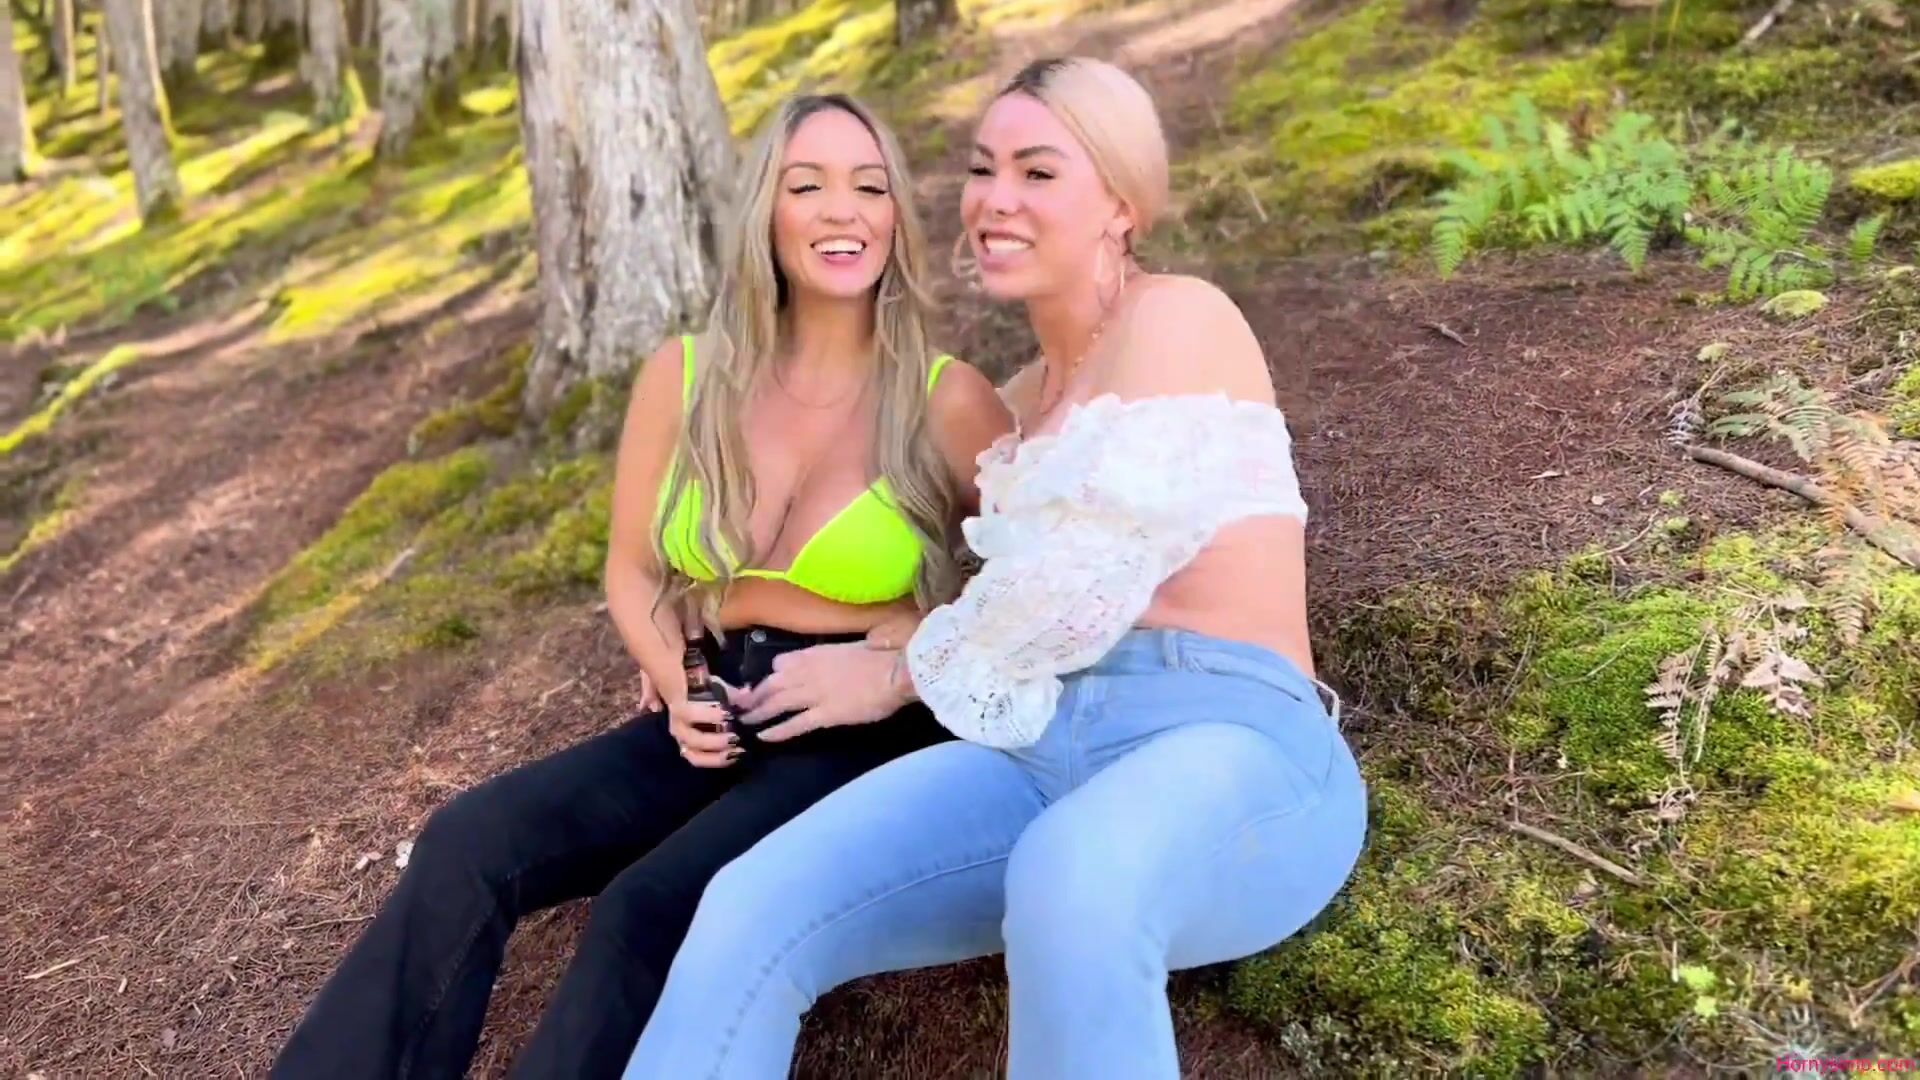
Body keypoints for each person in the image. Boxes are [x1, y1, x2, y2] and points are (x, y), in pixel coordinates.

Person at [619, 57, 1370, 1080]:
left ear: (1121, 203)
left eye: (1037, 171)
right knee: (750, 902)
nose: (995, 199)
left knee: (1072, 876)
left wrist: (894, 671)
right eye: (982, 169)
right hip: (1037, 748)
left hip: (1234, 744)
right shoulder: (1011, 406)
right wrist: (707, 610)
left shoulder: (1179, 317)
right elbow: (937, 577)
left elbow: (1076, 587)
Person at [269, 93, 1012, 1080]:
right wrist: (670, 674)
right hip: (710, 704)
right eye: (809, 186)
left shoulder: (945, 398)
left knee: (645, 908)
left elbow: (1037, 588)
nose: (844, 210)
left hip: (856, 725)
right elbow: (631, 567)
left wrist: (906, 643)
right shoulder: (687, 376)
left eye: (870, 187)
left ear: (896, 217)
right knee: (467, 843)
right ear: (765, 213)